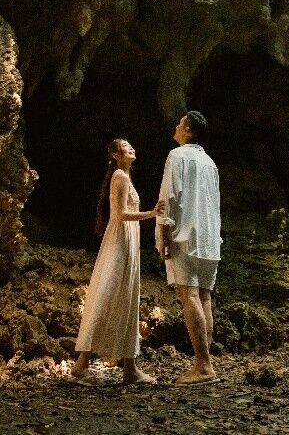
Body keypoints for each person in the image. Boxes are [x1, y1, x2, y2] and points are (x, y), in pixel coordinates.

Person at [71, 139, 166, 385]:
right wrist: (152, 213)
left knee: (124, 296)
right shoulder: (120, 177)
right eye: (125, 146)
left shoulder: (124, 176)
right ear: (115, 154)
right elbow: (120, 214)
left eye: (132, 144)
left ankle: (129, 368)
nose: (132, 147)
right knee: (110, 292)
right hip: (121, 239)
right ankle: (83, 365)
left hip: (127, 239)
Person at [156, 110, 222, 385]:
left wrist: (163, 234)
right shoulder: (210, 162)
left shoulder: (177, 155)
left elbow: (168, 197)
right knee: (205, 297)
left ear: (189, 132)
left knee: (190, 296)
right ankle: (206, 363)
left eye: (181, 124)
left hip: (186, 235)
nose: (176, 126)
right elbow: (214, 203)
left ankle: (203, 367)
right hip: (209, 238)